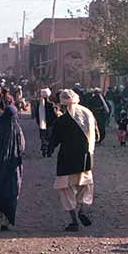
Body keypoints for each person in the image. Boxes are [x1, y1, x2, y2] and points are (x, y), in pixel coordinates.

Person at [45, 89, 98, 231]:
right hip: (86, 159)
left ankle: (74, 221)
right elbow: (97, 135)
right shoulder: (88, 114)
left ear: (62, 102)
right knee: (85, 186)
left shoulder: (62, 119)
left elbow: (55, 139)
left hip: (66, 161)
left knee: (65, 190)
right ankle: (83, 210)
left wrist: (49, 149)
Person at [32, 87, 59, 156]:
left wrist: (39, 122)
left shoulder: (39, 104)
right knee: (49, 138)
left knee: (43, 138)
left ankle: (44, 149)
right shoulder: (51, 104)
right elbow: (55, 114)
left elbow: (37, 114)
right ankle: (49, 151)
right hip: (50, 124)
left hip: (42, 124)